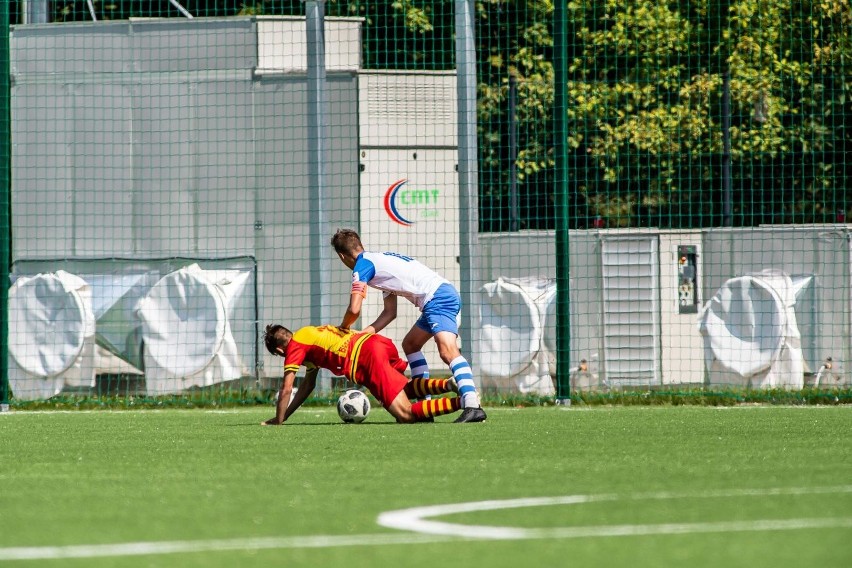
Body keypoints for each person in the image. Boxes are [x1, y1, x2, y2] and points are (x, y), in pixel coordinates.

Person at [330, 228, 487, 423]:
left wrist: (343, 328)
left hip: (438, 298)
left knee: (448, 351)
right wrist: (362, 334)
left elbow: (354, 310)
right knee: (411, 345)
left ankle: (472, 404)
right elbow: (390, 313)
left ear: (342, 256)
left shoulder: (362, 267)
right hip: (437, 296)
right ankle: (425, 407)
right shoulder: (376, 263)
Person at [262, 324, 461, 425]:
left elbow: (287, 388)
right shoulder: (307, 336)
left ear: (279, 351)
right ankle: (448, 385)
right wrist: (284, 416)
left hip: (364, 357)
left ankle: (462, 403)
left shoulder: (295, 347)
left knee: (405, 414)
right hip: (374, 343)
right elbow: (307, 385)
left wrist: (277, 421)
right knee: (405, 389)